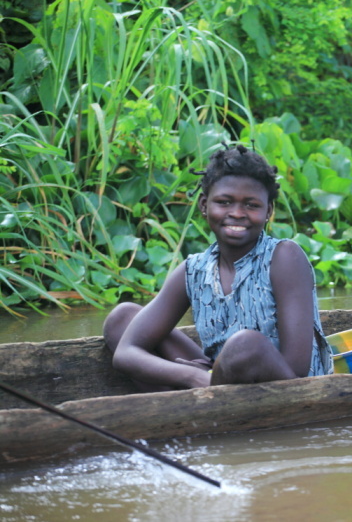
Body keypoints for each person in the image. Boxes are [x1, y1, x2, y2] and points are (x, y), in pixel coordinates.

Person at [103, 144, 333, 390]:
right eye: (224, 202)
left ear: (268, 211)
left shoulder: (284, 257)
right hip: (215, 381)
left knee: (245, 346)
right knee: (122, 319)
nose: (237, 213)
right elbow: (125, 352)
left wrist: (213, 375)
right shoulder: (194, 270)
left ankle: (205, 397)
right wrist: (195, 376)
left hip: (288, 389)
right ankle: (185, 407)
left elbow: (296, 369)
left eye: (251, 205)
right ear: (204, 205)